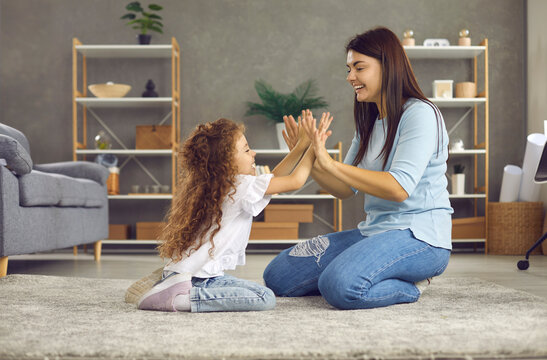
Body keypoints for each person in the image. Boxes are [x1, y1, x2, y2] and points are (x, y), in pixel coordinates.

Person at [263, 26, 453, 310]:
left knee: (339, 286)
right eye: (349, 68)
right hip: (374, 232)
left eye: (359, 68)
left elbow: (399, 188)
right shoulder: (371, 121)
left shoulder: (420, 114)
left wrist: (329, 162)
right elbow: (344, 189)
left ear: (387, 67)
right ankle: (369, 270)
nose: (350, 77)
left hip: (422, 237)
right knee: (278, 275)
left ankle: (410, 287)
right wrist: (309, 156)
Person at [137, 116, 332, 312]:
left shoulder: (223, 186)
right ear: (225, 161)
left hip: (196, 275)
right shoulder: (239, 185)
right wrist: (314, 147)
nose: (253, 153)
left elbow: (274, 179)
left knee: (254, 290)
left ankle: (170, 285)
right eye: (247, 150)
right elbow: (295, 181)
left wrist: (301, 146)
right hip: (198, 280)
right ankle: (178, 299)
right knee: (264, 297)